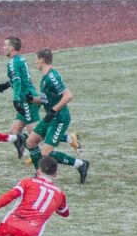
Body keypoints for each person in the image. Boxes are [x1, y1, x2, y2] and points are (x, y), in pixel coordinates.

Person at [21, 49, 90, 183]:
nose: (35, 61)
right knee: (30, 142)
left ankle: (80, 164)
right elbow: (47, 99)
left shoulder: (52, 76)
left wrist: (53, 110)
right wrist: (32, 99)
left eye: (36, 59)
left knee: (46, 154)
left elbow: (68, 96)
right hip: (50, 117)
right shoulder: (45, 77)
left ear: (42, 60)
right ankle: (39, 174)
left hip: (59, 118)